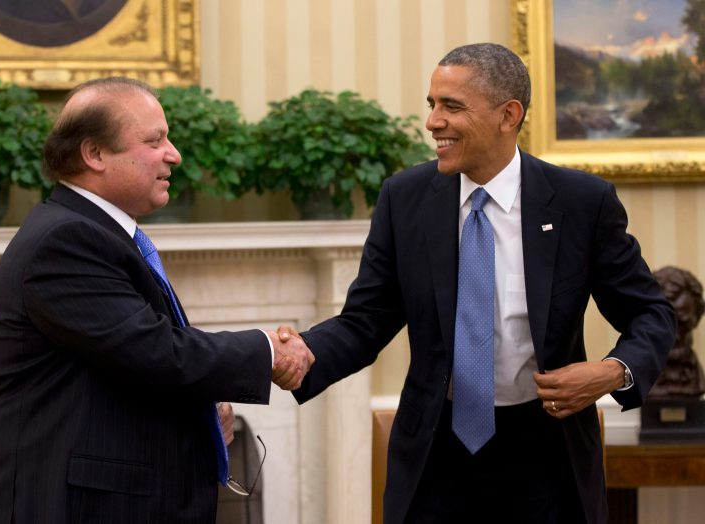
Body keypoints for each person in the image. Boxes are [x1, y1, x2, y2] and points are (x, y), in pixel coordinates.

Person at [280, 43, 675, 524]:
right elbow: (366, 321)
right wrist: (305, 353)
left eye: (451, 106)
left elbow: (651, 313)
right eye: (432, 105)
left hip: (546, 455)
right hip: (435, 458)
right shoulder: (404, 199)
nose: (433, 122)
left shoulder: (581, 203)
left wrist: (613, 372)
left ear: (509, 115)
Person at [0, 77, 313, 524]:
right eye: (155, 141)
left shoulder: (96, 232)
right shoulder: (65, 240)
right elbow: (156, 350)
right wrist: (267, 350)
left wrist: (203, 405)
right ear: (94, 154)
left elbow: (124, 368)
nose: (174, 154)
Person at [648, 265, 705, 398]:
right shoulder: (642, 377)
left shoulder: (696, 378)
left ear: (696, 318)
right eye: (664, 324)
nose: (675, 336)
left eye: (682, 324)